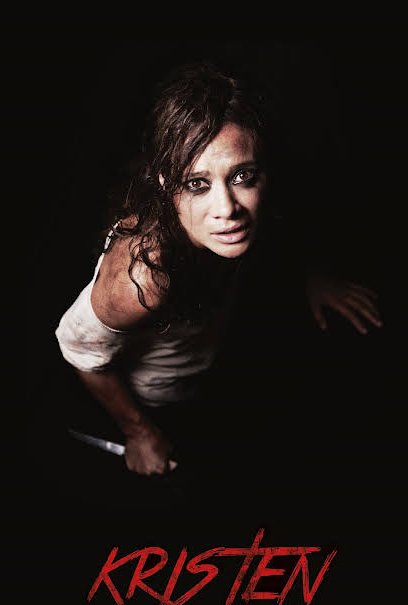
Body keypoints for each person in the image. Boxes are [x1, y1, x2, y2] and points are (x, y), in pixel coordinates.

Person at [55, 60, 382, 479]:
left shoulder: (251, 207)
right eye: (197, 184)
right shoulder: (142, 278)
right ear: (165, 184)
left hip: (217, 359)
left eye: (242, 176)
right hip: (155, 400)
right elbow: (79, 352)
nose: (226, 208)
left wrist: (313, 276)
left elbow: (278, 222)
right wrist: (138, 432)